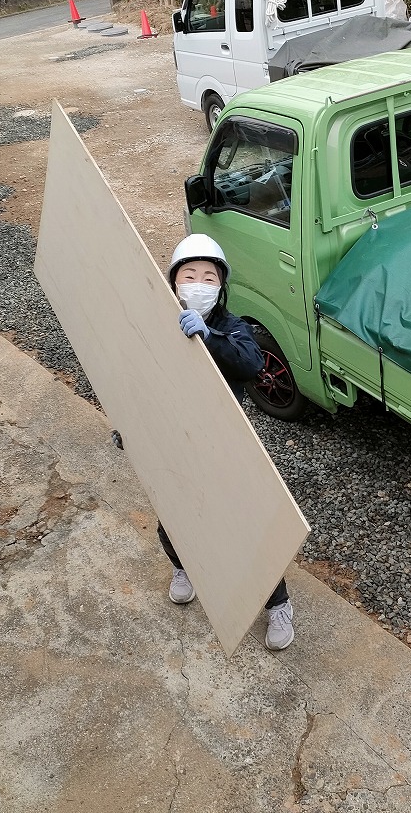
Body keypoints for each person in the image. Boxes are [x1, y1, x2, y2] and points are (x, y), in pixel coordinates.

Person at [157, 233, 297, 651]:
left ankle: (278, 605)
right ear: (174, 282)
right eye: (189, 275)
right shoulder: (157, 323)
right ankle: (185, 568)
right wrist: (132, 425)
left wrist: (208, 337)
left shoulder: (230, 327)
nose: (198, 283)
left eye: (208, 277)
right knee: (172, 521)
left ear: (220, 288)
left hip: (225, 442)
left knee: (245, 529)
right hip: (177, 443)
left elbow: (252, 362)